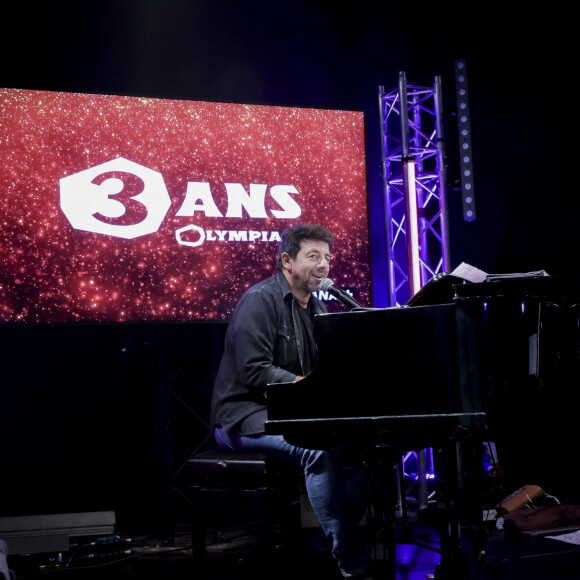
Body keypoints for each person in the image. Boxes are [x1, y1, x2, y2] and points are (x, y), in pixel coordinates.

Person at [210, 224, 372, 579]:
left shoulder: (315, 307)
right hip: (243, 418)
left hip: (293, 413)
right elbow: (254, 372)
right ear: (287, 260)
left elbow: (326, 369)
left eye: (327, 257)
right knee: (317, 449)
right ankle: (350, 558)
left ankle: (323, 545)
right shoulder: (260, 300)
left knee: (368, 448)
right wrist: (308, 386)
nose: (324, 265)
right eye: (313, 256)